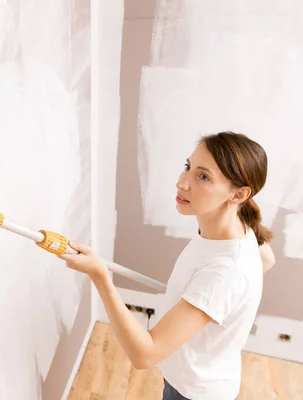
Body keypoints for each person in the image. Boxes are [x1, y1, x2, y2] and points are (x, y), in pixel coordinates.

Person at [59, 131, 275, 400]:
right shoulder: (236, 227)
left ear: (239, 194)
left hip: (194, 392)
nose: (182, 183)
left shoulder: (226, 270)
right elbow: (267, 259)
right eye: (188, 167)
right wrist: (216, 303)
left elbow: (144, 355)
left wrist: (100, 276)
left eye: (203, 176)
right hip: (191, 376)